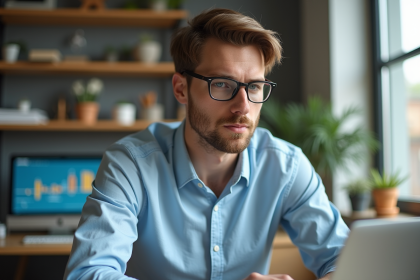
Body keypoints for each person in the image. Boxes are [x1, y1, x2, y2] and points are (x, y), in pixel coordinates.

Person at [64, 8, 349, 280]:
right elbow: (88, 272)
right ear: (181, 89)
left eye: (254, 86)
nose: (243, 107)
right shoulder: (131, 164)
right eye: (222, 84)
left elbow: (345, 260)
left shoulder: (286, 166)